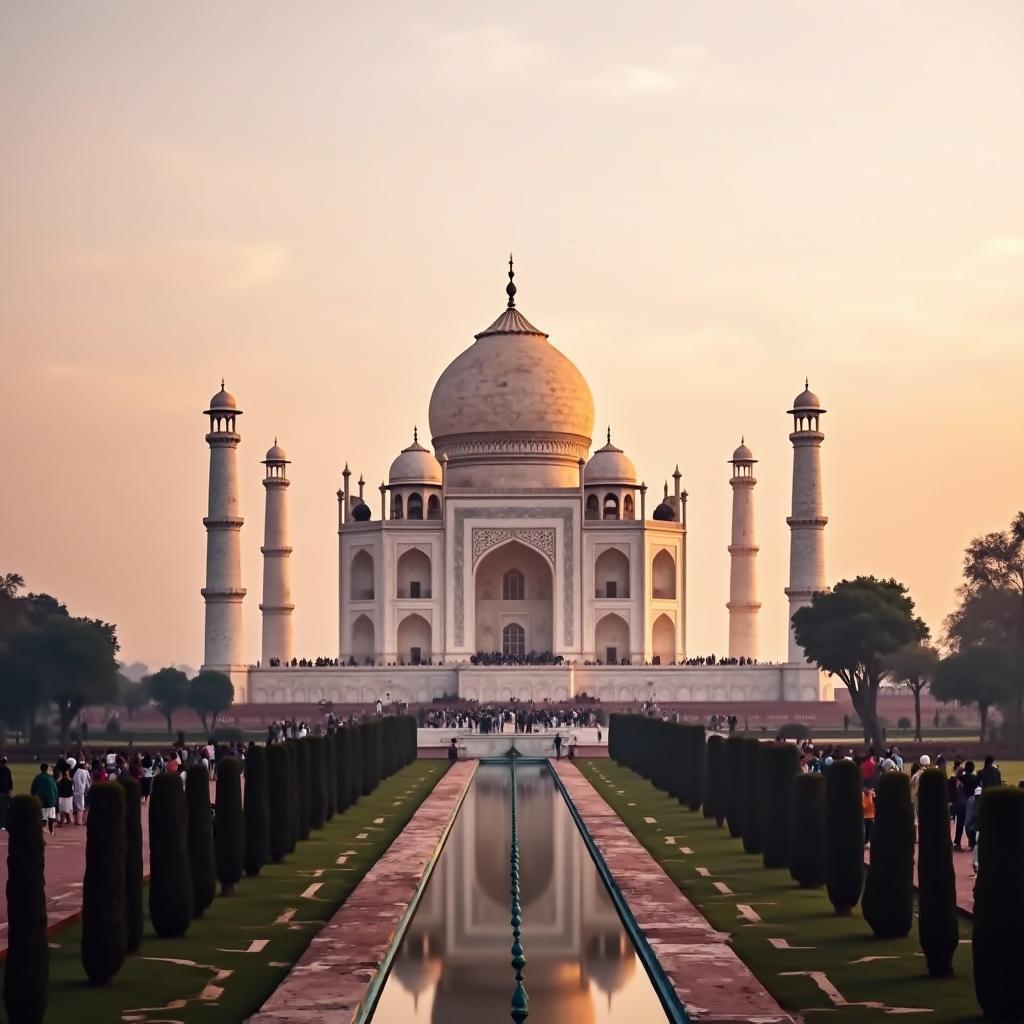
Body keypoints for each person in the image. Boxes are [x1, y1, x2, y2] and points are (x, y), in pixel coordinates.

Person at [31, 763, 59, 835]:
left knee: (43, 818)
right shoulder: (51, 778)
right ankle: (51, 831)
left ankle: (41, 830)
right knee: (51, 817)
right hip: (51, 801)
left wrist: (34, 797)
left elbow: (33, 789)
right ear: (47, 769)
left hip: (41, 801)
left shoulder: (37, 778)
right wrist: (55, 800)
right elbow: (55, 790)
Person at [72, 760, 91, 824]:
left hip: (74, 791)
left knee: (75, 807)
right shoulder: (85, 772)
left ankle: (75, 821)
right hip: (81, 792)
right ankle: (80, 822)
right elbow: (87, 783)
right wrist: (89, 791)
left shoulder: (76, 771)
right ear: (84, 765)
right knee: (81, 808)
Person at [0, 756, 13, 830]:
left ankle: (2, 825)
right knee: (5, 809)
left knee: (2, 809)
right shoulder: (8, 770)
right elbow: (10, 781)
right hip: (6, 792)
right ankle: (5, 825)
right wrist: (10, 790)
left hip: (2, 792)